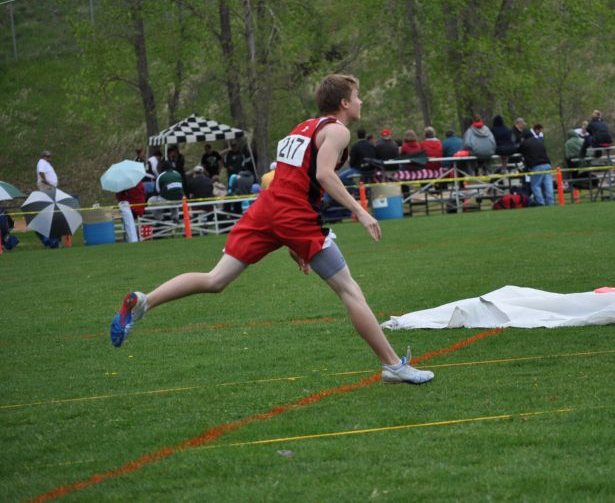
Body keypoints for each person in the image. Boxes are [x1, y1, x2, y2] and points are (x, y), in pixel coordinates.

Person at [108, 73, 434, 385]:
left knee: (215, 279)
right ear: (345, 103)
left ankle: (144, 301)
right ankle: (393, 366)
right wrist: (360, 211)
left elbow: (289, 178)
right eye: (358, 96)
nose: (361, 101)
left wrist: (294, 245)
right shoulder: (337, 131)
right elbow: (323, 175)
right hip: (293, 215)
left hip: (267, 209)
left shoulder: (300, 129)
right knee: (350, 291)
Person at [518, 131, 554, 206]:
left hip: (536, 166)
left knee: (535, 186)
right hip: (547, 164)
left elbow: (518, 150)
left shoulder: (525, 143)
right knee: (548, 184)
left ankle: (540, 202)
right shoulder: (539, 141)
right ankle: (551, 202)